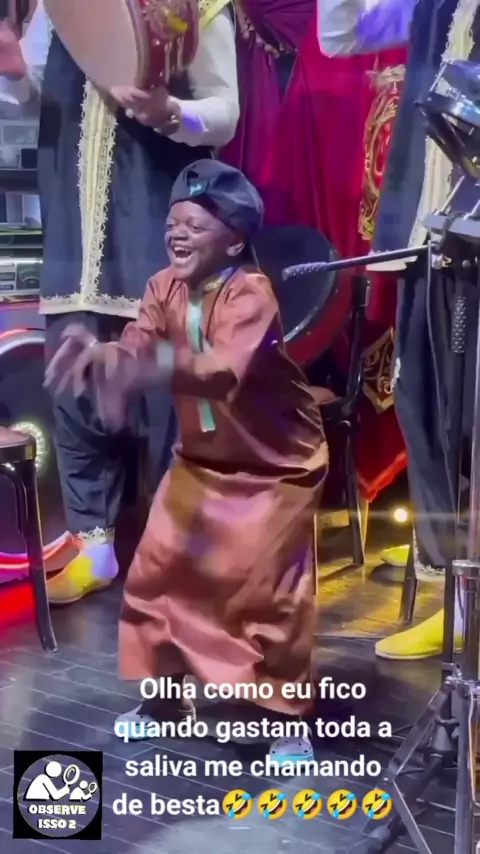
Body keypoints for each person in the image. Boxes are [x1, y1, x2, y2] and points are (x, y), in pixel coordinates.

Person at [46, 159, 328, 762]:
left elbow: (222, 371)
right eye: (172, 223)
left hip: (277, 466)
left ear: (234, 240)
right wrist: (106, 356)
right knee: (156, 575)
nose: (177, 233)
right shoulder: (160, 287)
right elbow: (138, 345)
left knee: (269, 592)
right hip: (201, 459)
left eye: (194, 226)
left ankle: (287, 719)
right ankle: (167, 702)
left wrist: (149, 368)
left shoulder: (250, 294)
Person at [0, 0, 239, 605]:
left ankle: (176, 556)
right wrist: (17, 76)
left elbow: (226, 113)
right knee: (74, 390)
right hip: (72, 235)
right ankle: (94, 548)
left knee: (165, 401)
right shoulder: (63, 8)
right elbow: (41, 106)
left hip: (153, 229)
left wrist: (173, 112)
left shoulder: (197, 6)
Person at [317, 0, 480, 659]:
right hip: (427, 240)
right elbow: (340, 34)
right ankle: (457, 603)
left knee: (473, 430)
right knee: (427, 416)